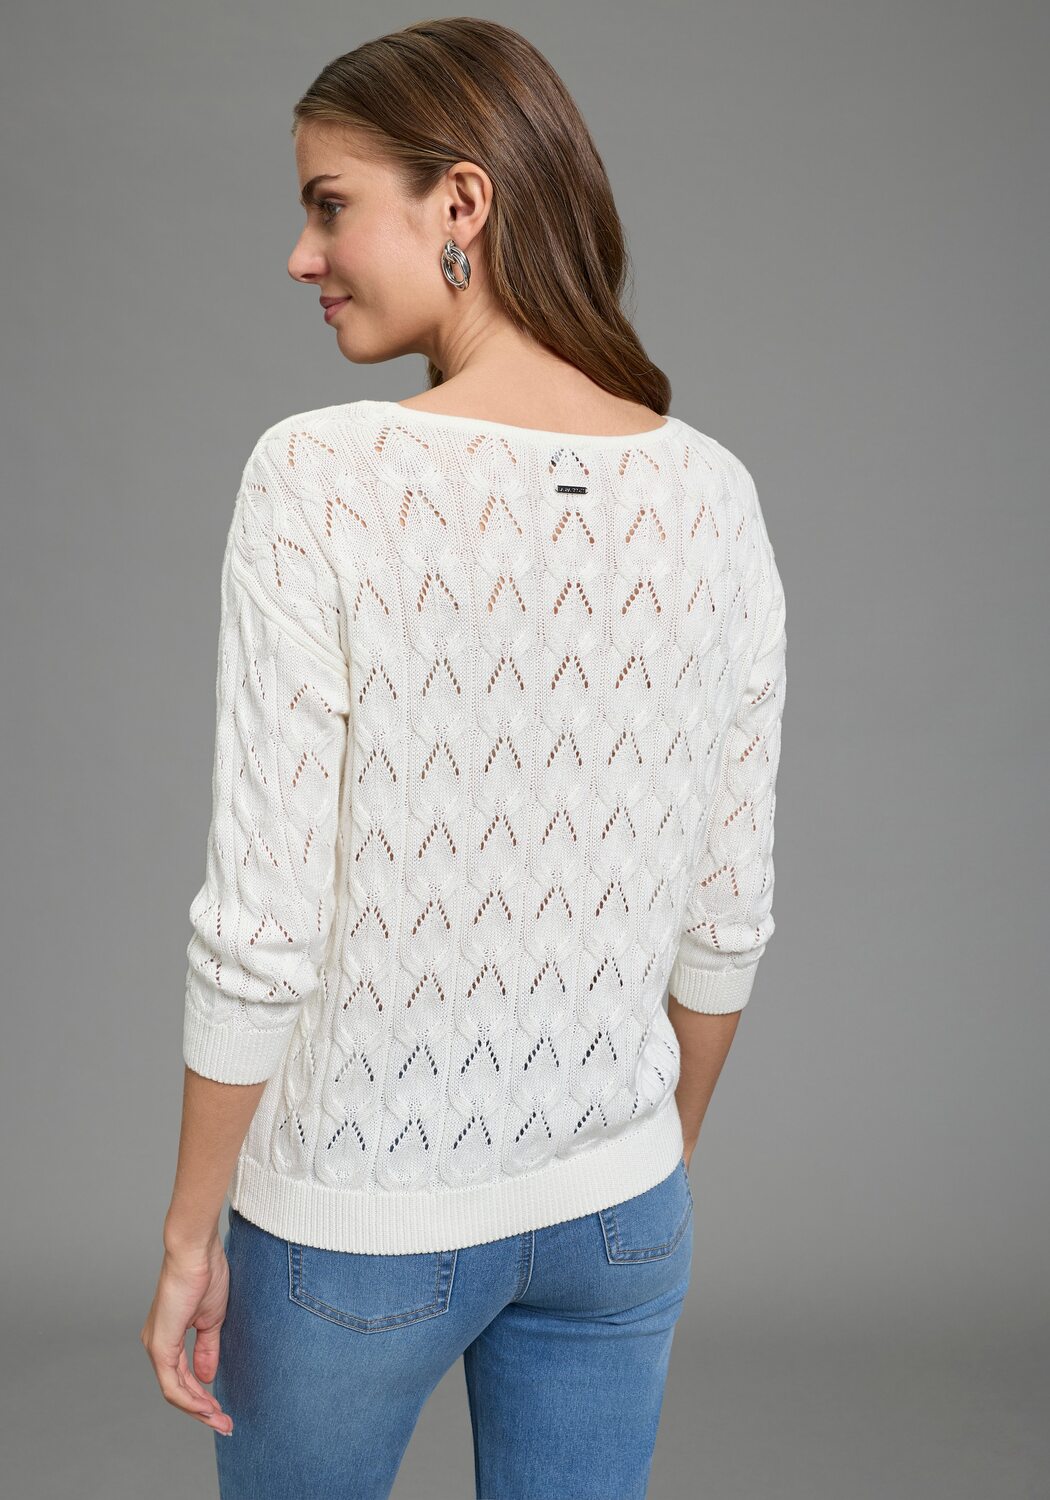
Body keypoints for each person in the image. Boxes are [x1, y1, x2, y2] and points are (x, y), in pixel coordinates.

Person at [140, 17, 788, 1500]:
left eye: (328, 204)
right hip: (622, 1211)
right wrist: (642, 1168)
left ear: (462, 202)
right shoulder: (713, 491)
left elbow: (260, 923)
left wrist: (190, 1234)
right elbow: (727, 909)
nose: (301, 256)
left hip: (355, 1223)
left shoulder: (318, 477)